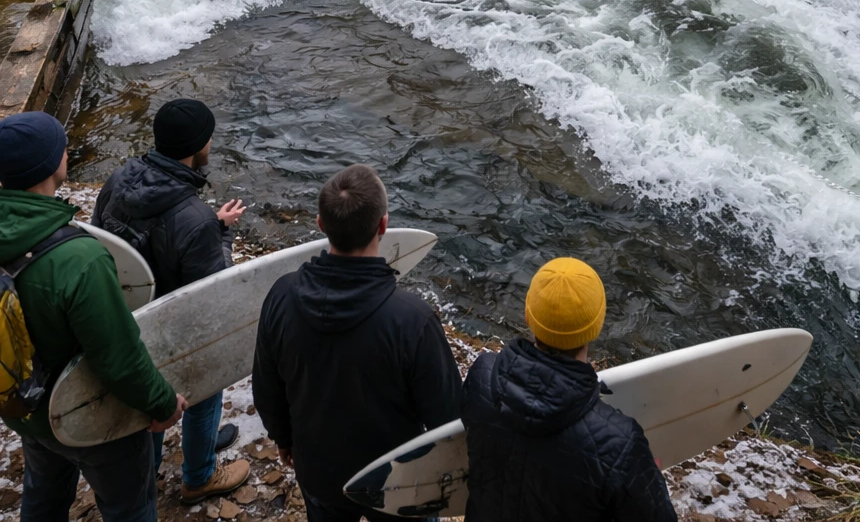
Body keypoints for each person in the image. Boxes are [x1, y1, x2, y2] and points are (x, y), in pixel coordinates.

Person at [0, 111, 187, 522]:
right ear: (50, 165)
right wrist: (161, 404)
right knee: (129, 507)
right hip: (86, 416)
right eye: (61, 147)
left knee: (44, 495)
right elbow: (118, 358)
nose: (67, 152)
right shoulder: (78, 259)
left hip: (24, 405)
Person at [252, 164, 461, 522]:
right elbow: (449, 416)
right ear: (383, 226)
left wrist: (284, 440)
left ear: (320, 225)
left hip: (319, 473)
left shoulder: (281, 296)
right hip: (398, 483)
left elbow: (266, 386)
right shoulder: (412, 320)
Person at [92, 98, 250, 504]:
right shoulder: (193, 218)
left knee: (151, 398)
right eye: (208, 137)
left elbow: (105, 243)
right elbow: (215, 292)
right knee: (206, 387)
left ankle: (149, 466)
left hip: (127, 317)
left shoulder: (119, 177)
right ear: (197, 147)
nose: (211, 142)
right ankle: (198, 476)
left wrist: (209, 225)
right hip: (173, 326)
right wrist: (219, 234)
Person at [461, 257, 677, 522]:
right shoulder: (620, 442)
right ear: (596, 326)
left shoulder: (483, 376)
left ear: (528, 316)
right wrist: (645, 477)